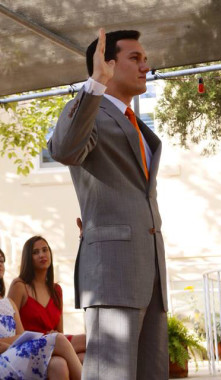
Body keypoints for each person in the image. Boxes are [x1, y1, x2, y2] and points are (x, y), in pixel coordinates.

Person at [47, 28, 168, 379]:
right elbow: (66, 149)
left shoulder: (139, 126)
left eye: (145, 59)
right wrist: (95, 85)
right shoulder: (87, 111)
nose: (145, 66)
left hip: (151, 272)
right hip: (112, 272)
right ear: (108, 65)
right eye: (135, 58)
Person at [0, 245, 82, 379]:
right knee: (59, 339)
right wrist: (10, 344)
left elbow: (22, 335)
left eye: (1, 260)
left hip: (12, 354)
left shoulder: (8, 303)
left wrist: (7, 345)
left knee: (59, 364)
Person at [8, 236, 86, 363]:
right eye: (35, 252)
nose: (42, 255)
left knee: (84, 354)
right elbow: (9, 327)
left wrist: (54, 333)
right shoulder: (19, 286)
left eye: (45, 250)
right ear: (28, 258)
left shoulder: (56, 290)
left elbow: (60, 332)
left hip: (55, 343)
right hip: (30, 345)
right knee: (81, 344)